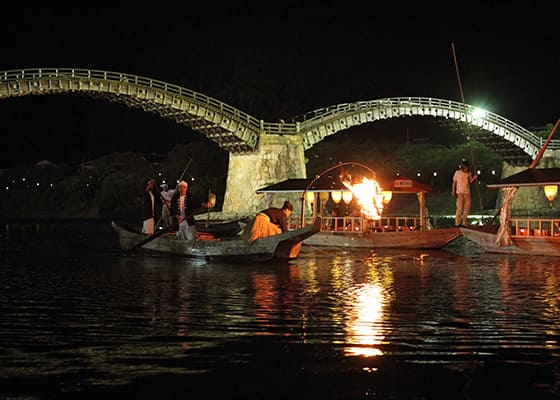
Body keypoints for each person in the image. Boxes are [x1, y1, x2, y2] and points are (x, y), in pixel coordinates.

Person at [451, 159, 478, 227]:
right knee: (459, 208)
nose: (466, 169)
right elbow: (454, 182)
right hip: (460, 192)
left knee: (467, 208)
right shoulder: (457, 172)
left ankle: (464, 222)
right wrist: (453, 191)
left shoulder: (468, 173)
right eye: (465, 167)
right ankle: (457, 222)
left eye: (467, 168)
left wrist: (474, 178)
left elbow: (470, 181)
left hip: (467, 192)